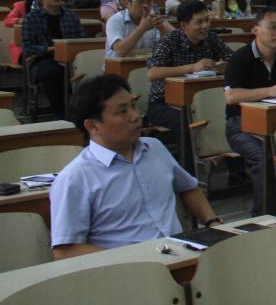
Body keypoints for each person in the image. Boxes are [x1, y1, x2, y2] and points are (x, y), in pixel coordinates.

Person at [49, 74, 221, 258]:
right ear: (93, 126)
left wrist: (213, 222)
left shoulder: (154, 148)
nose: (136, 116)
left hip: (181, 255)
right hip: (128, 268)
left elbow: (189, 188)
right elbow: (65, 251)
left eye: (133, 106)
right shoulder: (75, 178)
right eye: (122, 111)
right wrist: (133, 259)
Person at [225, 7, 276, 216]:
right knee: (264, 157)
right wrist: (270, 91)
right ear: (256, 30)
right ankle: (264, 218)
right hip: (241, 126)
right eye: (272, 28)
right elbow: (232, 96)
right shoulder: (240, 58)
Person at [146, 0, 232, 136]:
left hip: (203, 101)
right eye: (199, 22)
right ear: (184, 25)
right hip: (164, 103)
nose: (205, 26)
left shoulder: (211, 38)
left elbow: (234, 61)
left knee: (233, 113)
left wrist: (221, 67)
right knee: (188, 120)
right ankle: (189, 151)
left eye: (207, 20)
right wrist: (193, 67)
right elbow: (153, 73)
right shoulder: (169, 41)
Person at [22, 0, 85, 118]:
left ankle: (83, 112)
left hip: (72, 60)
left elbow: (82, 39)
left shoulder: (71, 16)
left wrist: (69, 50)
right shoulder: (31, 18)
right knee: (53, 73)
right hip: (43, 61)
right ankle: (61, 114)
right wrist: (51, 49)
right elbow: (27, 47)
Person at [105, 0, 175, 58]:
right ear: (127, 3)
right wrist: (142, 28)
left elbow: (163, 51)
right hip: (119, 65)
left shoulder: (153, 20)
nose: (146, 5)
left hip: (146, 64)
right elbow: (120, 50)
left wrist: (162, 29)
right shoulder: (115, 20)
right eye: (140, 1)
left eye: (149, 1)